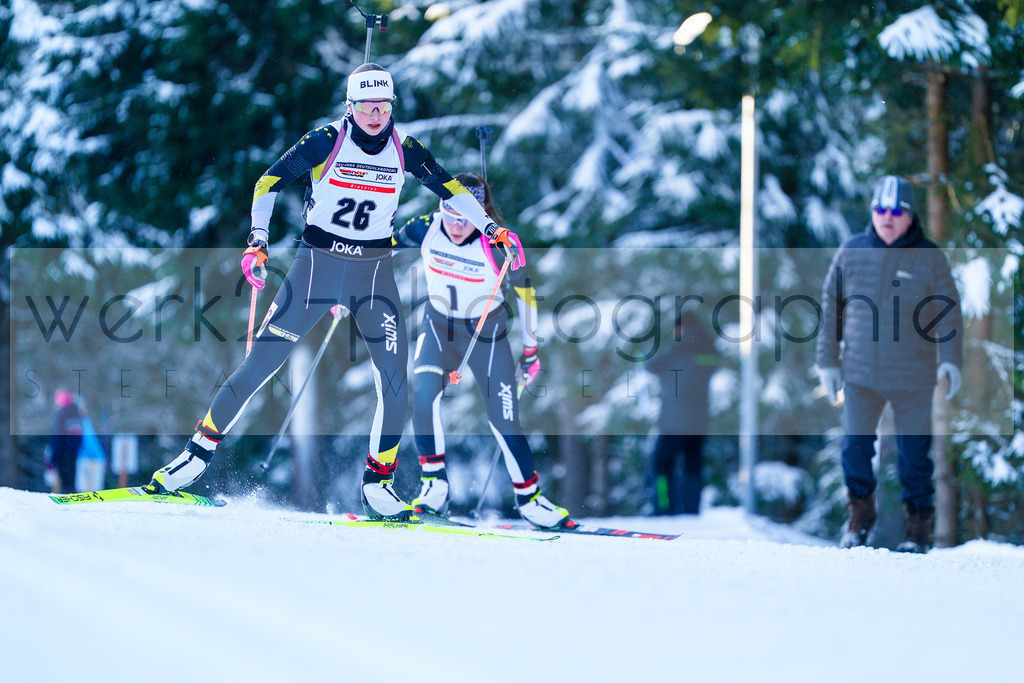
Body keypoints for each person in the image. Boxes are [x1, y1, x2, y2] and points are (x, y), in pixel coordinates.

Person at [145, 64, 521, 521]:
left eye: (384, 106)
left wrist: (490, 228)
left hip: (373, 274)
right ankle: (195, 456)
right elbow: (268, 182)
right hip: (316, 268)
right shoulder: (326, 141)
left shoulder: (406, 150)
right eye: (366, 106)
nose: (376, 115)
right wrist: (257, 241)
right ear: (350, 106)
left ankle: (377, 483)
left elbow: (450, 188)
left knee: (395, 380)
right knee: (260, 364)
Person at [393, 172, 570, 529]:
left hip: (487, 334)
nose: (457, 225)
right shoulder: (426, 227)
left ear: (481, 211)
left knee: (504, 418)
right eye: (450, 213)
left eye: (466, 216)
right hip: (439, 326)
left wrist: (531, 350)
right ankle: (435, 487)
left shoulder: (497, 244)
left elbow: (527, 297)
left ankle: (530, 500)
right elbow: (382, 246)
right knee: (424, 396)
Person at [815, 175, 963, 552]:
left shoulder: (930, 257)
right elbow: (832, 308)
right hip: (861, 374)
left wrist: (951, 361)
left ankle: (917, 530)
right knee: (854, 449)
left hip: (913, 377)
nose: (888, 217)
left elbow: (948, 315)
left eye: (897, 211)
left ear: (910, 216)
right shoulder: (851, 251)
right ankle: (860, 520)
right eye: (881, 209)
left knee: (914, 456)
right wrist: (827, 362)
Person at [647, 310, 719, 515]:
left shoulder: (679, 349)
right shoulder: (710, 349)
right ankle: (691, 508)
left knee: (660, 465)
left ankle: (663, 507)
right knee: (693, 465)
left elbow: (653, 366)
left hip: (674, 420)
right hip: (699, 419)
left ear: (681, 327)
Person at [48, 389, 83, 494]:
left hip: (62, 451)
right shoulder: (76, 413)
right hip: (73, 451)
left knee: (64, 479)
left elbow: (57, 437)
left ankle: (67, 493)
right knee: (71, 477)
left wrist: (53, 457)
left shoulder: (62, 414)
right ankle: (71, 492)